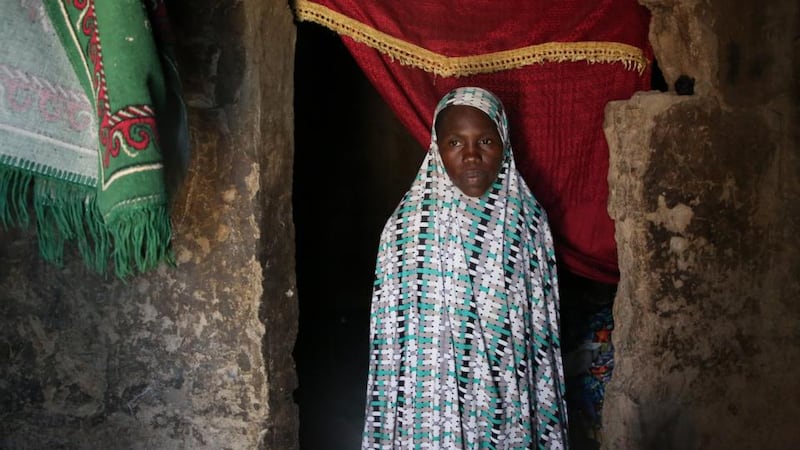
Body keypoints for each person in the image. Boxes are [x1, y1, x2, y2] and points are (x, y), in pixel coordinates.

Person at [362, 87, 568, 449]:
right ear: (436, 151)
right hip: (431, 409)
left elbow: (540, 336)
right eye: (455, 142)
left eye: (486, 140)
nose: (472, 155)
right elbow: (393, 350)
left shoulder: (527, 222)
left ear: (504, 145)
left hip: (508, 397)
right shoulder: (408, 230)